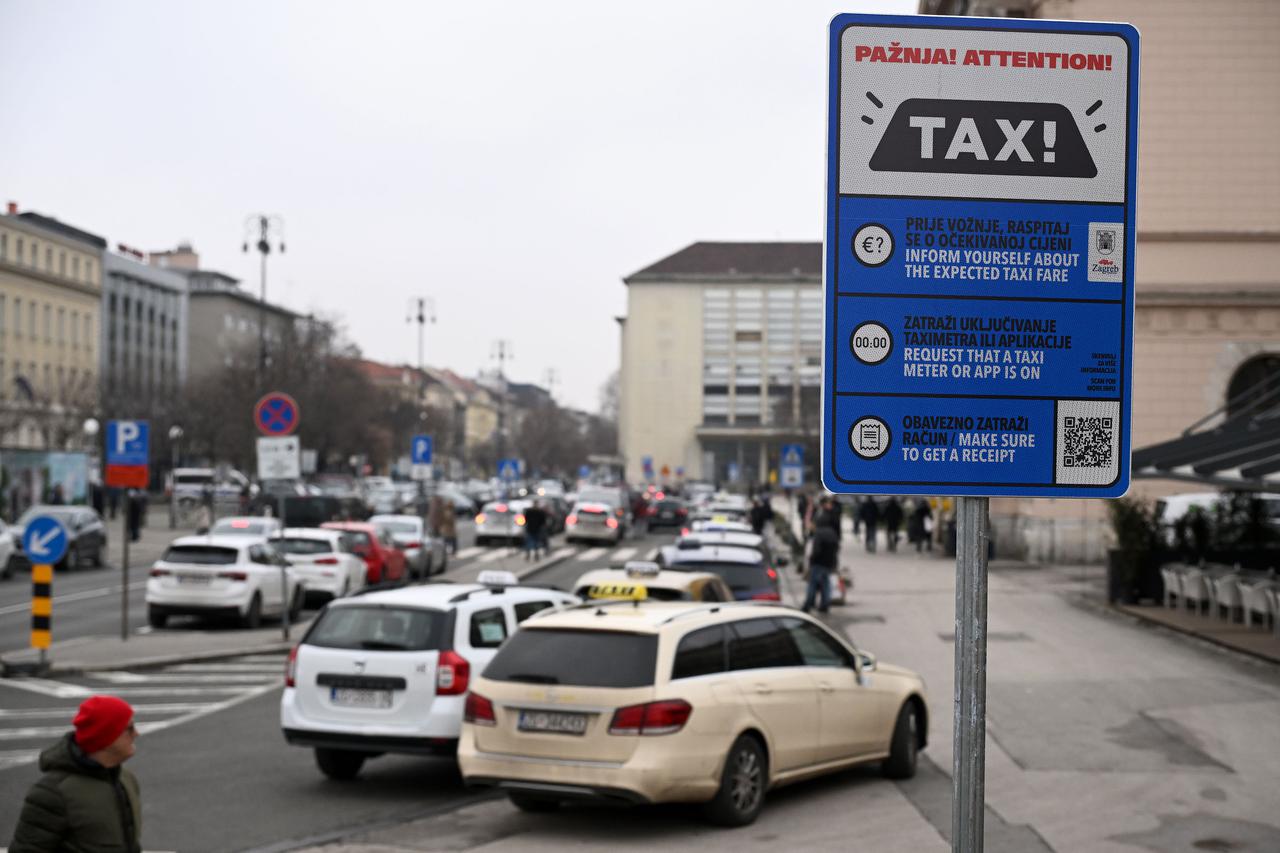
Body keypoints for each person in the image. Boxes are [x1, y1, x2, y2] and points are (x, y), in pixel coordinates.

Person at [9, 695, 142, 852]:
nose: (136, 734)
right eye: (129, 728)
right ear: (106, 737)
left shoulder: (125, 779)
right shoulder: (52, 793)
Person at [803, 514, 840, 614]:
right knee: (825, 585)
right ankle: (825, 605)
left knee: (812, 585)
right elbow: (836, 548)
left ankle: (807, 605)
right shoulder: (832, 533)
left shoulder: (818, 533)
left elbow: (816, 550)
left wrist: (811, 559)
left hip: (818, 563)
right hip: (828, 563)